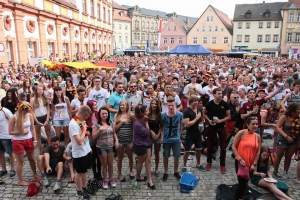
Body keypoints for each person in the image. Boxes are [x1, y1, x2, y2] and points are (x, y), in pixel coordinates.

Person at [8, 101, 39, 186]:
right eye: (25, 110)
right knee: (20, 161)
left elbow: (33, 129)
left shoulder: (29, 115)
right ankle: (20, 180)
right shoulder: (13, 117)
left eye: (28, 110)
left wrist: (35, 140)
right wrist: (21, 132)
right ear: (21, 109)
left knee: (32, 159)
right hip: (18, 141)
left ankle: (35, 174)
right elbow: (10, 132)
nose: (27, 112)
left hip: (29, 139)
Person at [232, 117, 261, 200]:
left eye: (256, 124)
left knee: (244, 184)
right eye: (253, 124)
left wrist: (254, 164)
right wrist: (240, 159)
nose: (255, 126)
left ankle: (240, 198)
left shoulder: (257, 136)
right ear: (248, 125)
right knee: (241, 184)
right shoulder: (242, 133)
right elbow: (234, 146)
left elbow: (258, 151)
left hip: (251, 164)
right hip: (241, 163)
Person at [203, 88, 230, 173]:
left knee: (223, 147)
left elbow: (229, 116)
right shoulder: (209, 104)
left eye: (221, 93)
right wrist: (209, 120)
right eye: (218, 93)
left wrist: (220, 121)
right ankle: (209, 162)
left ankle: (222, 165)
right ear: (214, 94)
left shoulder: (225, 104)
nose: (220, 95)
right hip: (212, 127)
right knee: (209, 146)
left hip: (221, 127)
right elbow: (204, 114)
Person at [69, 105, 93, 199]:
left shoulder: (81, 120)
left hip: (86, 150)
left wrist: (89, 147)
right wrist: (84, 131)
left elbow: (85, 137)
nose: (87, 118)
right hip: (79, 152)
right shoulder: (73, 124)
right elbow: (79, 141)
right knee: (79, 172)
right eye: (86, 116)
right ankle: (79, 191)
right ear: (83, 115)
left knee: (84, 171)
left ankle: (84, 187)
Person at [273, 102, 300, 179]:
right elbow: (278, 127)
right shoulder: (285, 117)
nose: (299, 110)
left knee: (288, 157)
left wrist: (299, 141)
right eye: (298, 109)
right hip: (283, 139)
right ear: (293, 109)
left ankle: (285, 172)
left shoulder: (298, 118)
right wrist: (286, 136)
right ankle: (275, 171)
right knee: (279, 156)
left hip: (294, 140)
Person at [92, 107, 117, 189]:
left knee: (110, 164)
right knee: (104, 164)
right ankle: (105, 180)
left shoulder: (111, 122)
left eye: (106, 113)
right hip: (101, 147)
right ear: (99, 114)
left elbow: (114, 133)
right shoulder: (96, 124)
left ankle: (111, 178)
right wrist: (99, 129)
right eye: (102, 113)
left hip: (110, 146)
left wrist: (116, 140)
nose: (104, 115)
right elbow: (93, 137)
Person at [161, 97, 183, 181]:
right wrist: (162, 137)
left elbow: (181, 126)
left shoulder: (180, 114)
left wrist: (179, 137)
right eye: (169, 105)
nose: (171, 107)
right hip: (166, 139)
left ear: (175, 105)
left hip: (176, 139)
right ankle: (166, 172)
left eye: (172, 105)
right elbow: (162, 126)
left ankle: (176, 171)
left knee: (177, 156)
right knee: (165, 156)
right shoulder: (163, 115)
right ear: (167, 105)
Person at [133, 105, 155, 189]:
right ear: (141, 113)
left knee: (148, 161)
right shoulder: (138, 123)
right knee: (140, 162)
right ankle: (138, 176)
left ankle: (150, 180)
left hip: (147, 142)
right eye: (146, 111)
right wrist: (146, 123)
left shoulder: (143, 120)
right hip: (140, 145)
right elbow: (147, 132)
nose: (148, 112)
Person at [183, 95, 206, 171]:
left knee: (198, 149)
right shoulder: (187, 111)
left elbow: (202, 119)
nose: (196, 102)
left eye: (197, 100)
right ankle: (184, 165)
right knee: (187, 150)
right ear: (190, 102)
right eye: (194, 101)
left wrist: (202, 125)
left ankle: (198, 164)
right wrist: (197, 118)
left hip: (198, 133)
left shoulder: (199, 110)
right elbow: (188, 124)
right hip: (190, 134)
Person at [114, 100, 135, 182]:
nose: (122, 107)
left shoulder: (131, 115)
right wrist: (122, 122)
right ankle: (119, 173)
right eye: (121, 105)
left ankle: (131, 171)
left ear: (127, 106)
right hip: (120, 140)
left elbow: (134, 128)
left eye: (123, 105)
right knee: (120, 157)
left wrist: (133, 140)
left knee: (130, 156)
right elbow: (114, 129)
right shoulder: (117, 115)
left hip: (129, 139)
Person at [30, 84, 50, 154]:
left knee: (48, 132)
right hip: (37, 117)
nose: (41, 91)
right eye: (39, 89)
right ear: (36, 91)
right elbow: (31, 111)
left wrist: (47, 119)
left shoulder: (45, 98)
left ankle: (50, 147)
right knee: (38, 134)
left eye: (42, 89)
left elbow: (48, 109)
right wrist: (37, 121)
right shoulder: (32, 100)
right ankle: (40, 149)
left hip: (45, 116)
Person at [86, 100, 102, 181]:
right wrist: (90, 128)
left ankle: (99, 173)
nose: (96, 106)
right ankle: (95, 174)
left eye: (96, 104)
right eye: (94, 105)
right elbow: (84, 130)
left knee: (99, 158)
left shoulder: (98, 114)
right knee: (93, 159)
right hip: (90, 141)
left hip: (99, 140)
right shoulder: (86, 117)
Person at [148, 98, 162, 175]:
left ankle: (156, 168)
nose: (154, 105)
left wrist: (158, 134)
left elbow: (161, 126)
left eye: (155, 104)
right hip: (149, 136)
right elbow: (146, 125)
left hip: (157, 136)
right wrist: (151, 132)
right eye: (152, 104)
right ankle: (148, 167)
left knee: (157, 153)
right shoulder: (147, 114)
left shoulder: (160, 114)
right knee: (149, 154)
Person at [0, 106, 15, 177]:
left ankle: (12, 169)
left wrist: (12, 135)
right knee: (0, 153)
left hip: (6, 136)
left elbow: (13, 121)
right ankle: (4, 169)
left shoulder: (5, 111)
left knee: (10, 153)